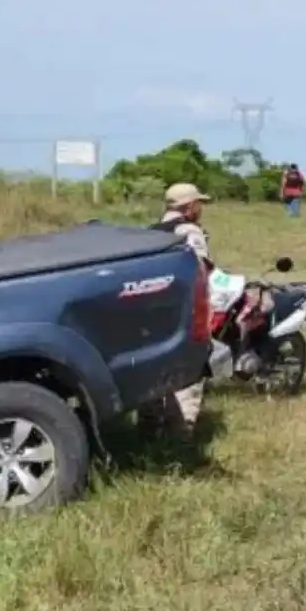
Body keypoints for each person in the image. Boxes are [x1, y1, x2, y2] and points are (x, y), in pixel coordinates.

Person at [139, 182, 213, 438]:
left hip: (151, 313)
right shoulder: (189, 232)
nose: (201, 208)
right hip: (183, 312)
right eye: (199, 204)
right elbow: (199, 270)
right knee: (187, 373)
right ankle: (181, 436)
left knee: (154, 371)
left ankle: (150, 430)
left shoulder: (152, 231)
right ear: (190, 206)